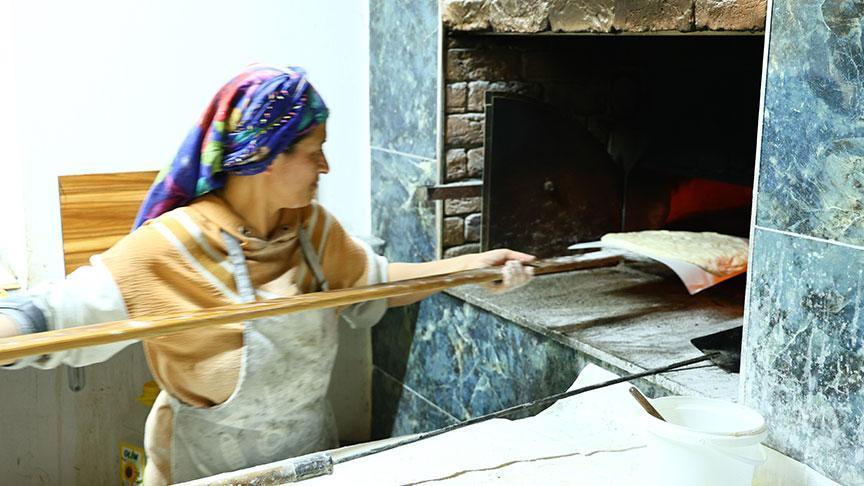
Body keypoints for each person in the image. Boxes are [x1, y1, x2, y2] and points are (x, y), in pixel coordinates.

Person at [0, 65, 534, 484]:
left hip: (308, 463)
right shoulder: (173, 246)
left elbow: (374, 283)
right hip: (206, 474)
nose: (325, 167)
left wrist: (467, 268)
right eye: (314, 151)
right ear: (265, 156)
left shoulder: (311, 229)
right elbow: (53, 314)